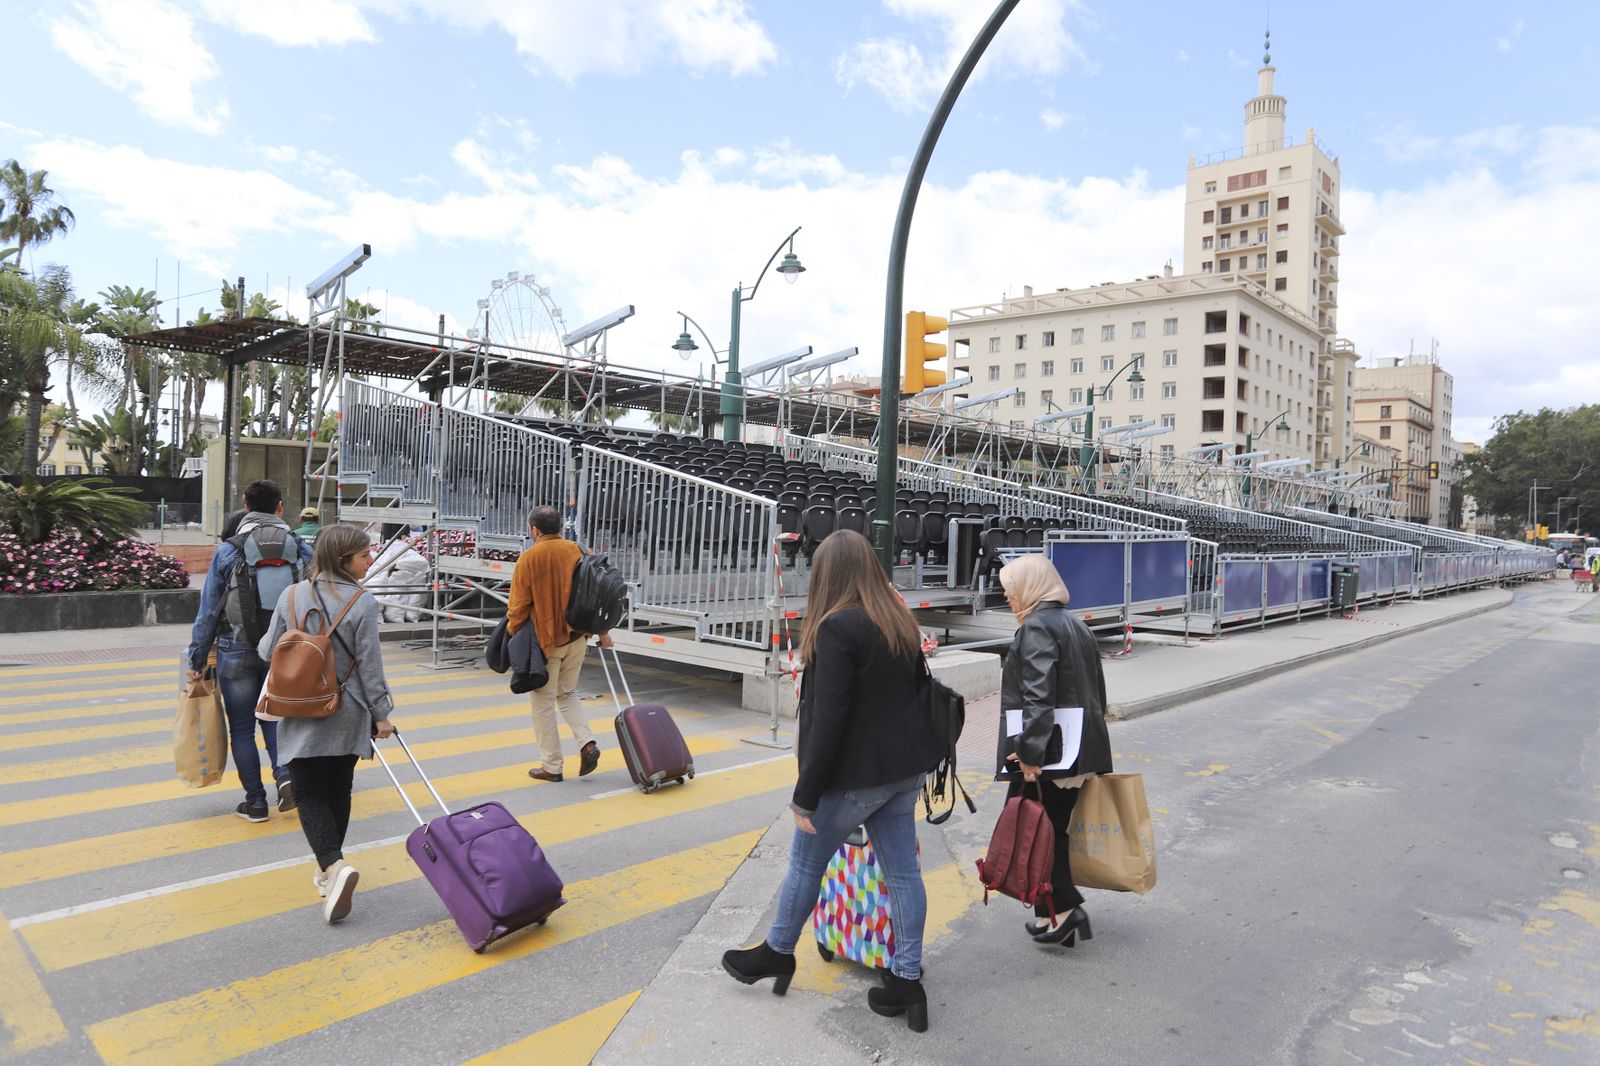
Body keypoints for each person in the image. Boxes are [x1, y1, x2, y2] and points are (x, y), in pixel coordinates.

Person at [721, 530, 940, 1033]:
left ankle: (777, 952)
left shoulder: (837, 627)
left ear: (825, 574)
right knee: (903, 875)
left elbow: (829, 720)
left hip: (853, 779)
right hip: (902, 773)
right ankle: (907, 979)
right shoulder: (898, 620)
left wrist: (805, 795)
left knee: (804, 866)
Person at [257, 523, 395, 924]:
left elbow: (268, 649)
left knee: (309, 791)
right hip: (348, 708)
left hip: (301, 706)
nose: (369, 561)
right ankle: (329, 867)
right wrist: (382, 714)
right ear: (344, 560)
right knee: (339, 788)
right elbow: (370, 665)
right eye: (365, 555)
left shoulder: (291, 595)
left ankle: (333, 867)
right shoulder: (362, 603)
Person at [996, 554, 1115, 948]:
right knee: (1051, 831)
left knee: (1036, 832)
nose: (1008, 599)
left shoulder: (1036, 629)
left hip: (1051, 754)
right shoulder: (1075, 625)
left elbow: (1038, 697)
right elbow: (1095, 692)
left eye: (1010, 592)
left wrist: (1030, 752)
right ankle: (1056, 916)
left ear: (1029, 588)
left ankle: (1064, 911)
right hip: (1078, 751)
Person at [186, 479, 314, 822]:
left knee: (242, 727)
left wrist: (196, 658)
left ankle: (255, 803)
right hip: (285, 650)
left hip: (236, 647)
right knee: (276, 718)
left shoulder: (229, 550)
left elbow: (209, 608)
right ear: (280, 507)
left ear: (245, 505)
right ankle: (286, 777)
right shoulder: (299, 547)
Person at [505, 505, 610, 783]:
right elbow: (597, 594)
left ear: (535, 530)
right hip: (577, 636)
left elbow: (517, 607)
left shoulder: (529, 558)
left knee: (542, 702)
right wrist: (602, 631)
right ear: (560, 527)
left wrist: (515, 635)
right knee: (567, 694)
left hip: (547, 641)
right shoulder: (579, 550)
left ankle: (552, 766)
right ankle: (587, 743)